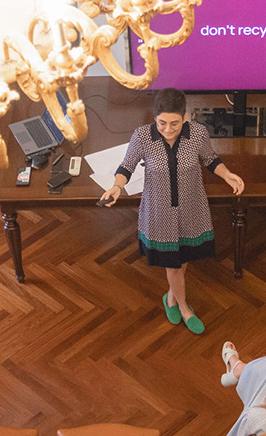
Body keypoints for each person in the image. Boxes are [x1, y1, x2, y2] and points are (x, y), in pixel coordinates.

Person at [100, 87, 245, 335]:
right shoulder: (143, 136)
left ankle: (170, 297)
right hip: (160, 212)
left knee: (182, 257)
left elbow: (210, 159)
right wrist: (116, 187)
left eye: (175, 123)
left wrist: (227, 174)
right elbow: (127, 166)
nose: (168, 129)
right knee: (174, 266)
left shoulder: (198, 133)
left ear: (185, 117)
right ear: (154, 117)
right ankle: (185, 307)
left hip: (191, 207)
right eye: (162, 123)